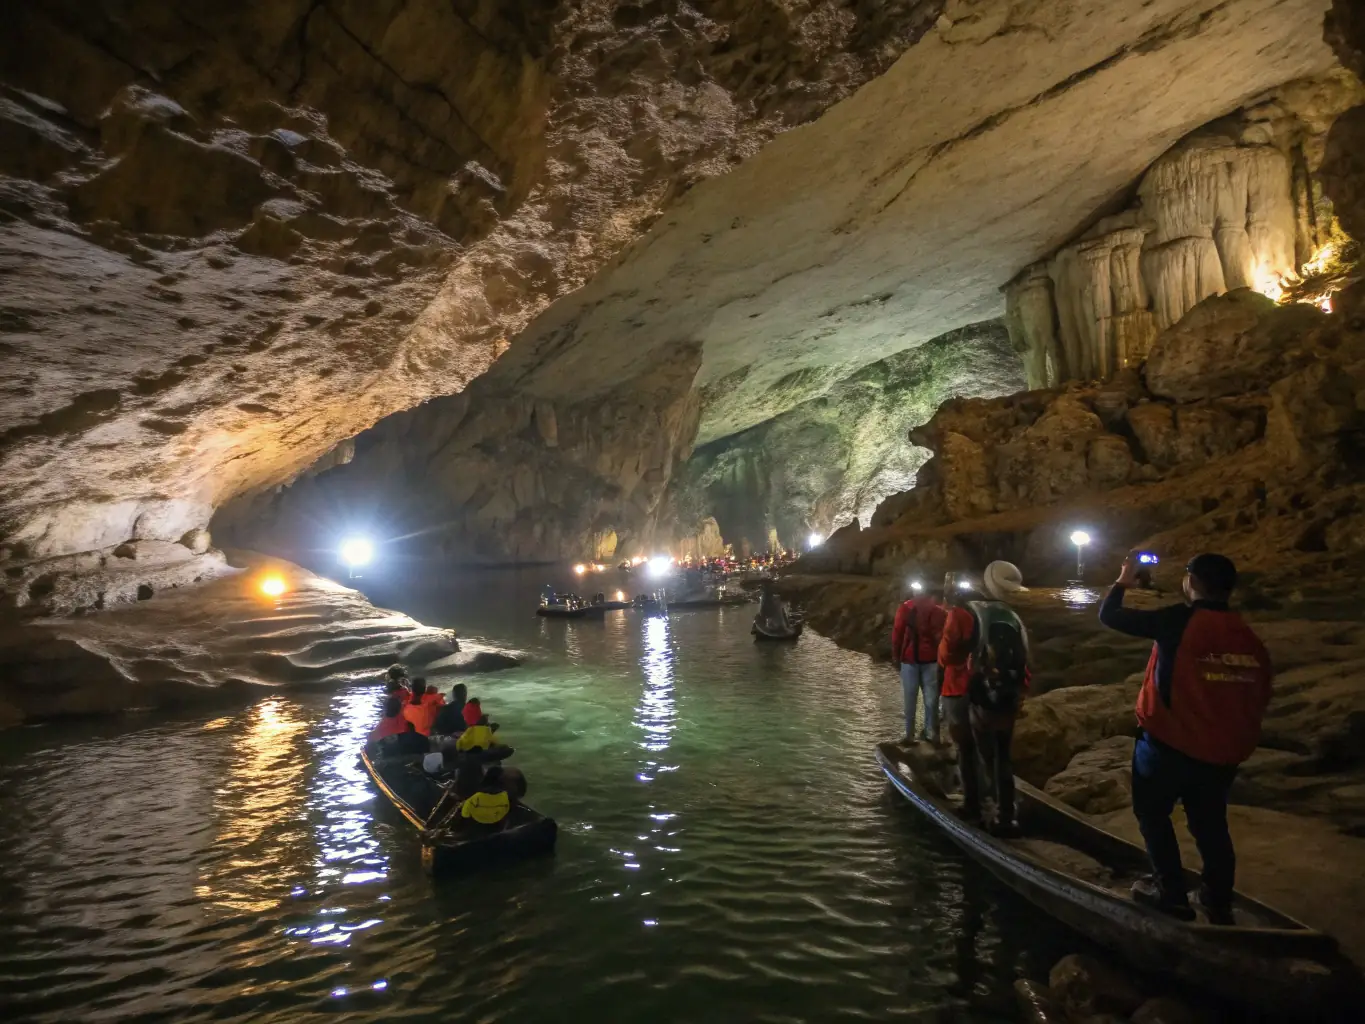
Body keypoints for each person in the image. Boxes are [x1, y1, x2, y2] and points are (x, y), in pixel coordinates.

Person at [1099, 552, 1272, 924]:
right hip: (1222, 752)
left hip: (1169, 745)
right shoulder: (1245, 633)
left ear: (1191, 582)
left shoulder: (1179, 620)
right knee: (1211, 825)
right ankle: (1217, 900)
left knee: (1153, 815)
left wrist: (1124, 579)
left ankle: (1171, 894)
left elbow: (1109, 616)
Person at [938, 573, 1030, 835]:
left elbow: (945, 656)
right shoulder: (1012, 616)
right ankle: (1006, 815)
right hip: (1004, 694)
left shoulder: (962, 613)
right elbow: (1024, 658)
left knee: (967, 749)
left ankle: (973, 806)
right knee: (1001, 755)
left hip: (967, 690)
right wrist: (1019, 690)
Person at [891, 585, 946, 744]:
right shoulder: (939, 611)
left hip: (910, 660)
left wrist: (896, 655)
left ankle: (909, 734)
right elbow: (943, 637)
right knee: (931, 699)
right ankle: (932, 735)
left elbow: (897, 633)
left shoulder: (905, 608)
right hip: (931, 660)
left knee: (910, 698)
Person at [456, 765, 511, 831]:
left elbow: (465, 814)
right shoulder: (504, 795)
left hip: (476, 828)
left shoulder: (477, 794)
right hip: (495, 828)